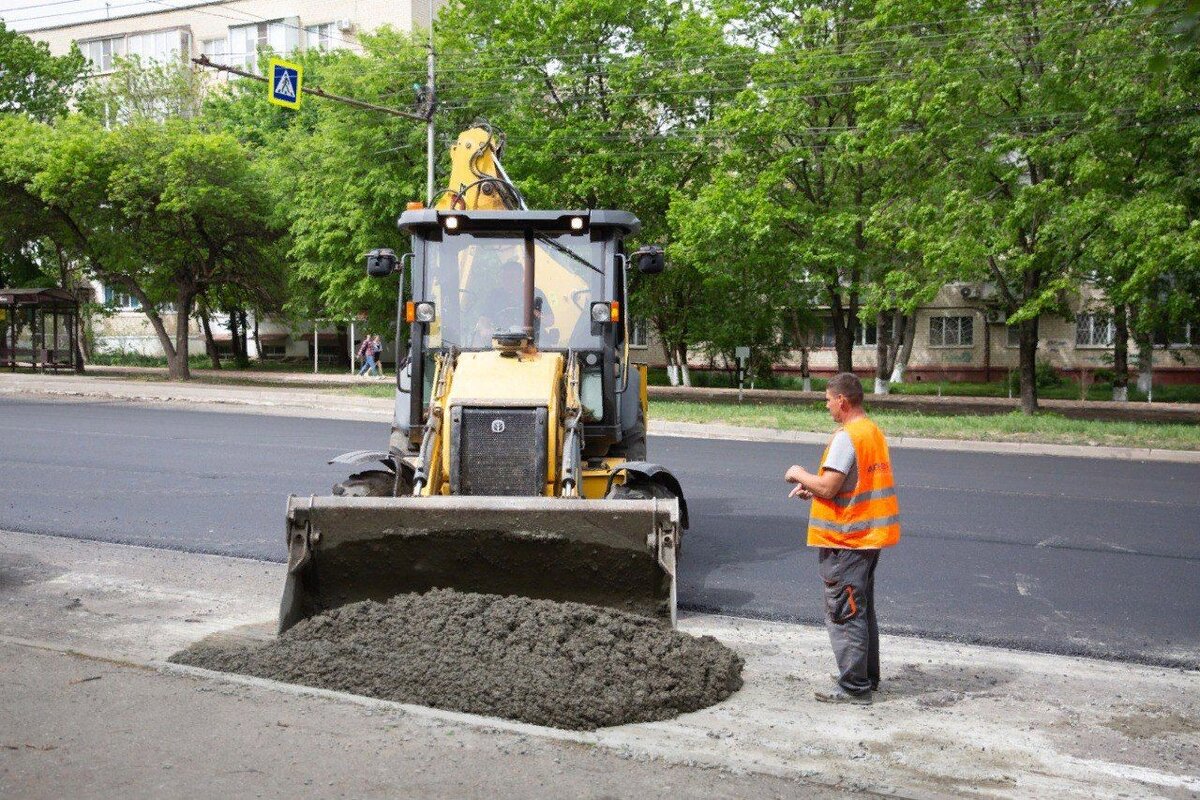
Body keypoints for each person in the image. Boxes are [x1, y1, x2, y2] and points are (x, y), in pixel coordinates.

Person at [784, 372, 901, 705]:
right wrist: (815, 490)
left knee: (845, 611)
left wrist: (798, 473)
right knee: (861, 609)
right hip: (867, 536)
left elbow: (830, 487)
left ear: (843, 401)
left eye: (828, 400)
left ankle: (854, 687)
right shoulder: (872, 432)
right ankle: (867, 677)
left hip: (845, 540)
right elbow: (851, 485)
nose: (827, 405)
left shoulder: (847, 437)